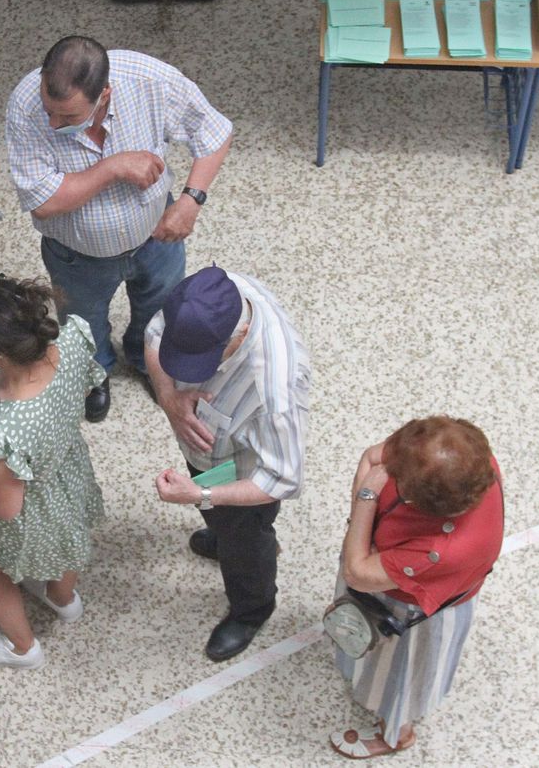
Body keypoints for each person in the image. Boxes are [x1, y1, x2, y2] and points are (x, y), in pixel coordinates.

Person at [6, 35, 234, 422]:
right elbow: (43, 202)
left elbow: (215, 132)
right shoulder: (26, 107)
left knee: (159, 310)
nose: (52, 123)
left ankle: (148, 363)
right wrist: (113, 167)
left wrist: (190, 201)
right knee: (81, 322)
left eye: (67, 118)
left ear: (105, 95)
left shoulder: (149, 80)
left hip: (155, 241)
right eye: (49, 110)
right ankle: (96, 374)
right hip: (76, 256)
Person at [146, 266, 310, 661]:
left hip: (244, 477)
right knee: (220, 523)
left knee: (246, 542)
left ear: (236, 336)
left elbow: (284, 478)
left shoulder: (275, 394)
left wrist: (201, 493)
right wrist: (169, 400)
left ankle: (252, 608)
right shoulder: (204, 299)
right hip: (207, 453)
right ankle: (221, 534)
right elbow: (153, 336)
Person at [0, 274, 106, 669]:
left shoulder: (2, 431)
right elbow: (69, 392)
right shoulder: (70, 341)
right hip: (66, 475)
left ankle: (22, 648)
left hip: (28, 508)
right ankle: (63, 600)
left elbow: (4, 507)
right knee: (70, 539)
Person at [330, 416, 504, 758]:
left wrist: (366, 500)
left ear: (415, 499)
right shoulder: (467, 459)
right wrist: (363, 534)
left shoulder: (437, 550)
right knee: (367, 647)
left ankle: (396, 734)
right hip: (391, 578)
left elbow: (357, 571)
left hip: (412, 612)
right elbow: (373, 456)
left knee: (401, 681)